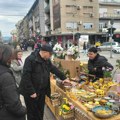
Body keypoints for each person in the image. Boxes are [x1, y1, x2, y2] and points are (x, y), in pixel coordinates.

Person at [19, 44, 70, 120]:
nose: (50, 56)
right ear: (45, 52)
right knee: (32, 113)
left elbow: (54, 69)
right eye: (50, 54)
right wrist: (31, 91)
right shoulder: (30, 59)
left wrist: (64, 78)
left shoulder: (46, 60)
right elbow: (26, 77)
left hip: (41, 91)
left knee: (40, 111)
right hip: (31, 92)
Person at [0, 44, 26, 120]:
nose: (11, 59)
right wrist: (23, 110)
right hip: (7, 115)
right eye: (10, 56)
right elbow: (13, 104)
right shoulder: (5, 76)